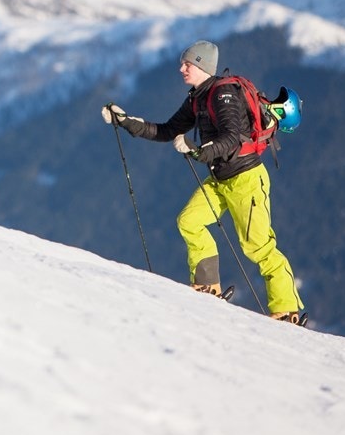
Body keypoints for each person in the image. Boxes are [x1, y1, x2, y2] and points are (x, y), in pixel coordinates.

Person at [101, 40, 305, 324]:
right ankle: (207, 285)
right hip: (221, 178)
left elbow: (232, 136)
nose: (181, 68)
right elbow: (168, 130)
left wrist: (200, 151)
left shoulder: (224, 94)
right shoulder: (197, 97)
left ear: (203, 66)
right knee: (189, 221)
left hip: (246, 179)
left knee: (257, 246)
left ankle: (286, 310)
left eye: (188, 63)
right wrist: (125, 121)